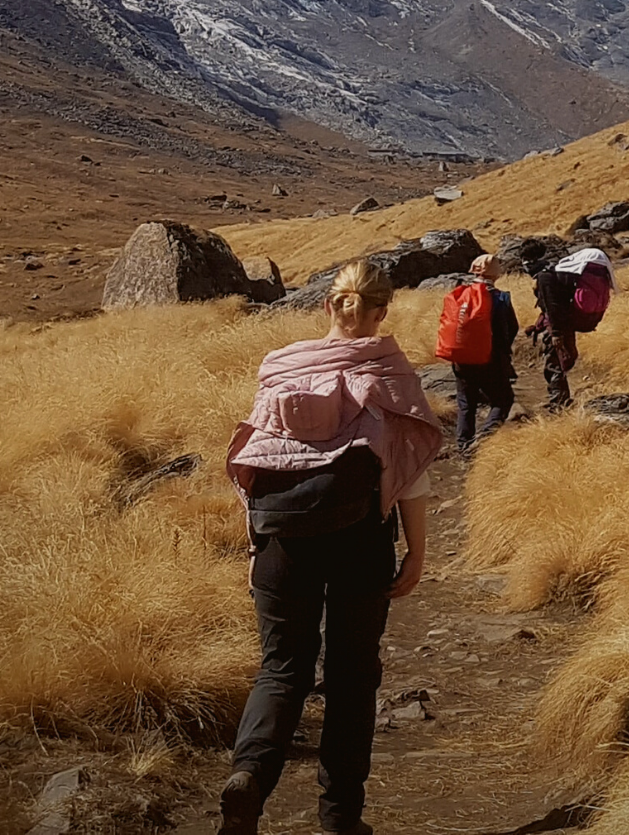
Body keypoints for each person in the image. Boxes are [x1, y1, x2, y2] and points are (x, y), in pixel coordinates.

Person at [219, 259, 442, 835]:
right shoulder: (388, 370)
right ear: (381, 311)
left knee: (281, 669)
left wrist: (256, 546)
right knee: (351, 675)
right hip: (358, 537)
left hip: (278, 536)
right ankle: (340, 818)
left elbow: (261, 454)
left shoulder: (280, 366)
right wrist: (416, 551)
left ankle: (249, 776)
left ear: (329, 306)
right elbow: (409, 474)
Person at [527, 246, 615, 411]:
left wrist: (556, 333)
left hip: (556, 327)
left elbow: (552, 308)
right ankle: (562, 399)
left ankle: (559, 402)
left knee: (554, 362)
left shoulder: (545, 278)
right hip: (569, 323)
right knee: (563, 358)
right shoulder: (566, 276)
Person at [450, 253, 519, 455]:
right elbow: (511, 329)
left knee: (466, 403)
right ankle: (482, 440)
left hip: (460, 358)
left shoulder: (460, 294)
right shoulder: (500, 297)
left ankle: (463, 446)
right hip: (491, 359)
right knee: (503, 400)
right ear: (494, 273)